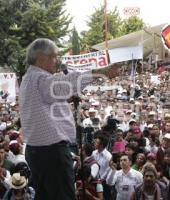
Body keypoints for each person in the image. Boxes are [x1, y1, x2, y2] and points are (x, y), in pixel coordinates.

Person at [19, 38, 117, 200]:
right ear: (41, 57)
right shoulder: (39, 78)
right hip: (51, 153)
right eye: (54, 56)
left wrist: (65, 99)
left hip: (38, 152)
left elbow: (47, 101)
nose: (57, 61)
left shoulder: (28, 79)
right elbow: (63, 84)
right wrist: (98, 73)